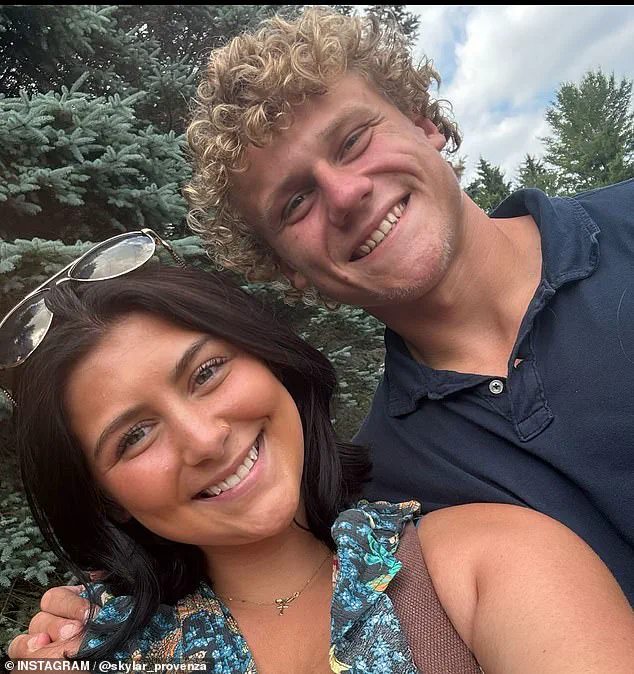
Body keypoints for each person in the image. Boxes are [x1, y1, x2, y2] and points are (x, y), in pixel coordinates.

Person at [8, 4, 634, 656]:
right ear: (286, 269)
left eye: (353, 139)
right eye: (295, 202)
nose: (344, 193)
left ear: (424, 121)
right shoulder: (389, 483)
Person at [3, 244, 634, 672]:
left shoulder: (489, 565)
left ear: (269, 361)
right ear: (106, 497)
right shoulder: (96, 652)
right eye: (135, 436)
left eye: (207, 372)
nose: (204, 439)